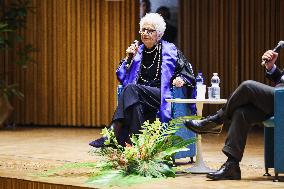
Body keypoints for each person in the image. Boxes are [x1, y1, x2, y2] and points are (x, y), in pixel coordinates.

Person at [90, 13, 196, 148]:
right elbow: (121, 76)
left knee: (131, 89)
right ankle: (137, 149)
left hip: (161, 95)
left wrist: (181, 78)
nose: (145, 33)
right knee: (135, 106)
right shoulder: (137, 52)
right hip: (138, 97)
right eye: (143, 30)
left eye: (149, 30)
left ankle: (113, 132)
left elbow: (187, 73)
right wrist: (129, 58)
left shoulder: (171, 51)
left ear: (159, 34)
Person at [184, 49, 284, 180]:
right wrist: (271, 67)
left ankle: (216, 120)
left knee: (247, 87)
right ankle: (232, 166)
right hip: (279, 100)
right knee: (241, 112)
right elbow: (281, 78)